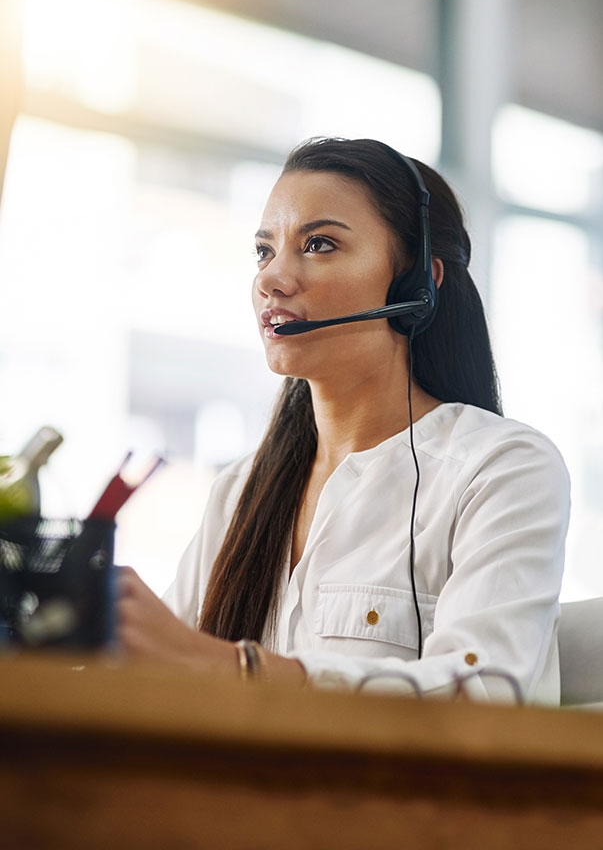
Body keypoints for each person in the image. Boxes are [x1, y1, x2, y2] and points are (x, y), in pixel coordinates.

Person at [117, 136, 570, 703]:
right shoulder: (239, 492)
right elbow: (161, 674)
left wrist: (239, 670)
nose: (271, 280)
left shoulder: (499, 469)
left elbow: (485, 691)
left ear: (416, 284)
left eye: (320, 244)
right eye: (264, 251)